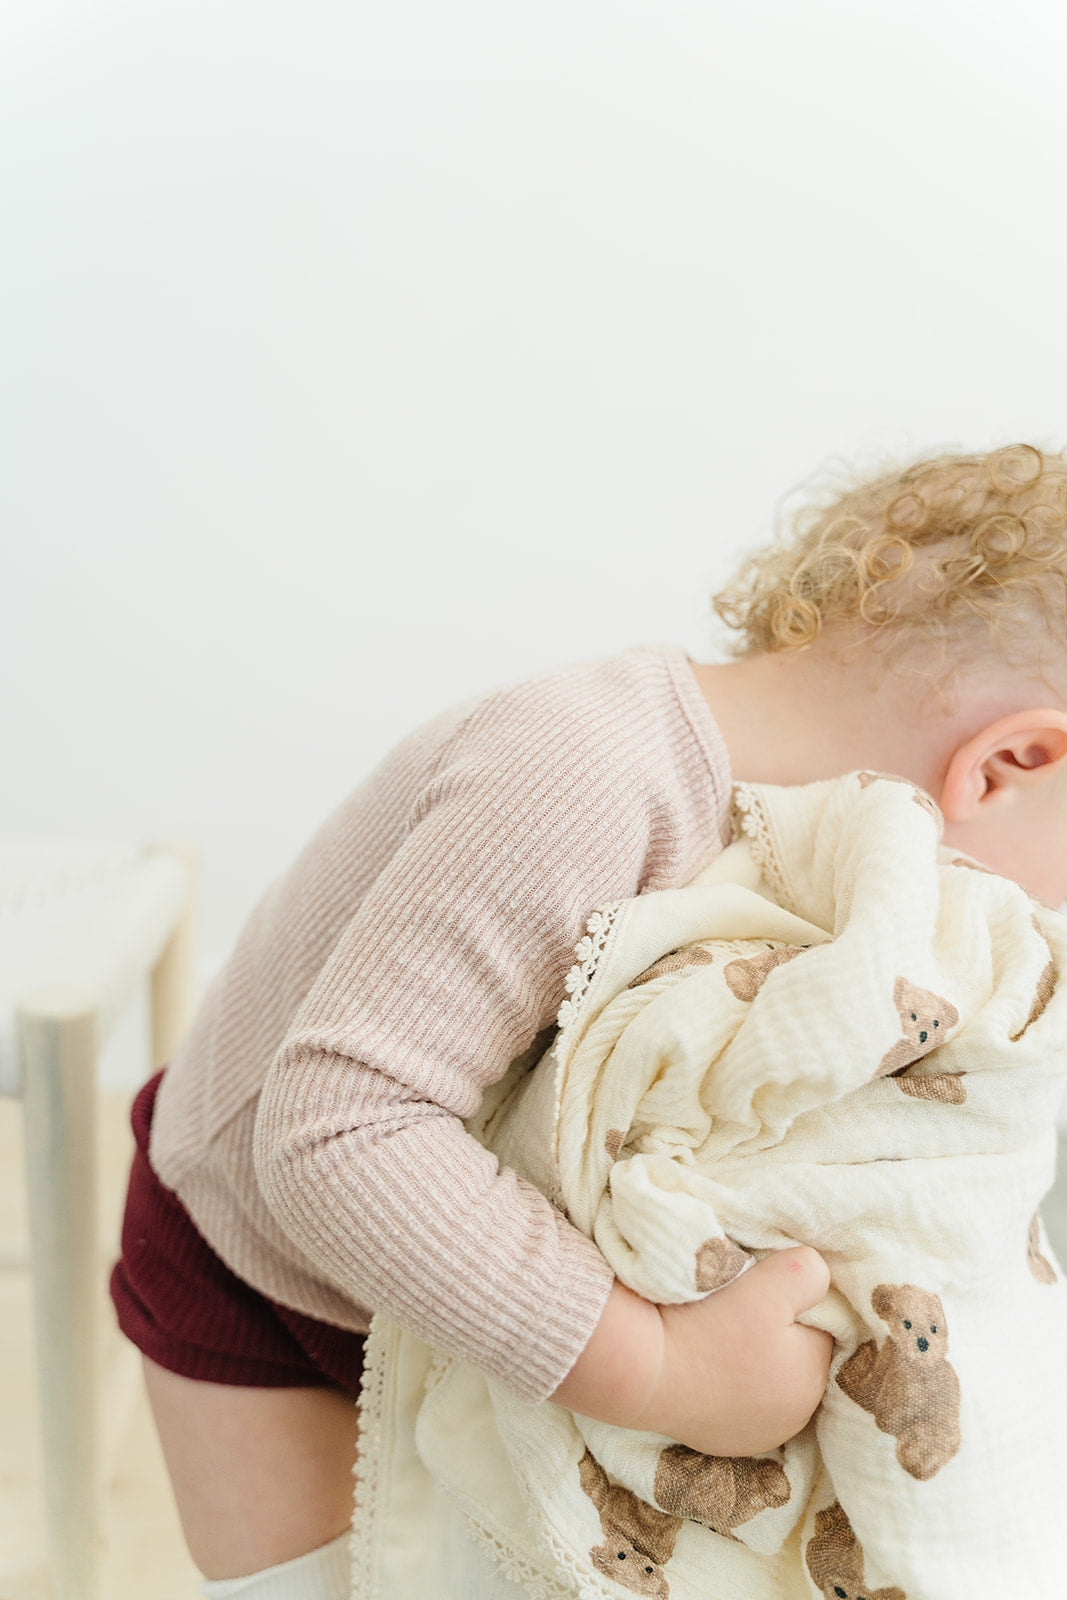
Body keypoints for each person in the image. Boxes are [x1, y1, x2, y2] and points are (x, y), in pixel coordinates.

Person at [110, 442, 1067, 1600]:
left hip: (485, 1250)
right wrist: (659, 1369)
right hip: (267, 1269)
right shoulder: (581, 769)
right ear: (1009, 761)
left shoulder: (811, 838)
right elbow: (336, 1132)